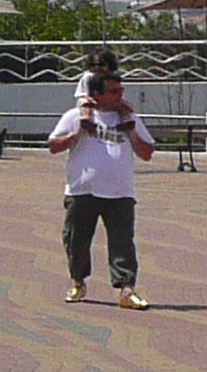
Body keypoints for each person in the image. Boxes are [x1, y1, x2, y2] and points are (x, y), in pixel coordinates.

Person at [46, 55, 157, 307]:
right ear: (96, 94)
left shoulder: (128, 118)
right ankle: (78, 283)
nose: (119, 95)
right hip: (82, 190)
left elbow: (147, 153)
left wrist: (130, 130)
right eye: (113, 91)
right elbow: (53, 146)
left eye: (120, 90)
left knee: (123, 243)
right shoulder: (76, 116)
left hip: (120, 193)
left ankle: (127, 290)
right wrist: (77, 134)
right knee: (76, 240)